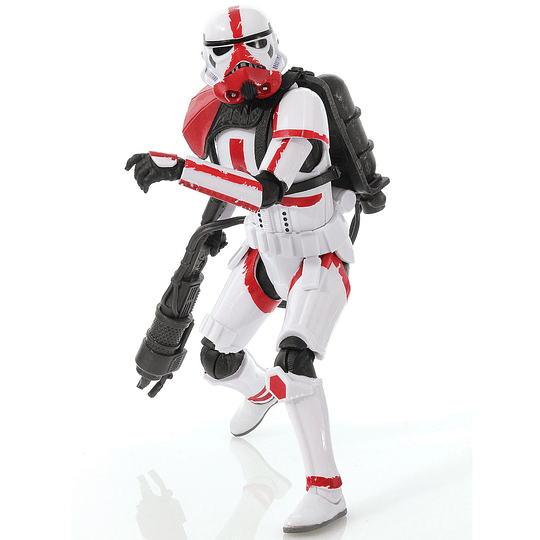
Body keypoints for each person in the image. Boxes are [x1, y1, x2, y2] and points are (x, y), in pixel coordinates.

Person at [126, 5, 385, 532]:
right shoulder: (212, 114)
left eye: (251, 45)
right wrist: (200, 243)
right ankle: (260, 393)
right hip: (263, 254)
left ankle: (326, 490)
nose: (241, 59)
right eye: (226, 50)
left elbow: (264, 189)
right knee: (216, 357)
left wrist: (178, 170)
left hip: (317, 254)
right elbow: (226, 184)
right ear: (208, 59)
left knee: (296, 362)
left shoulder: (302, 102)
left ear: (271, 45)